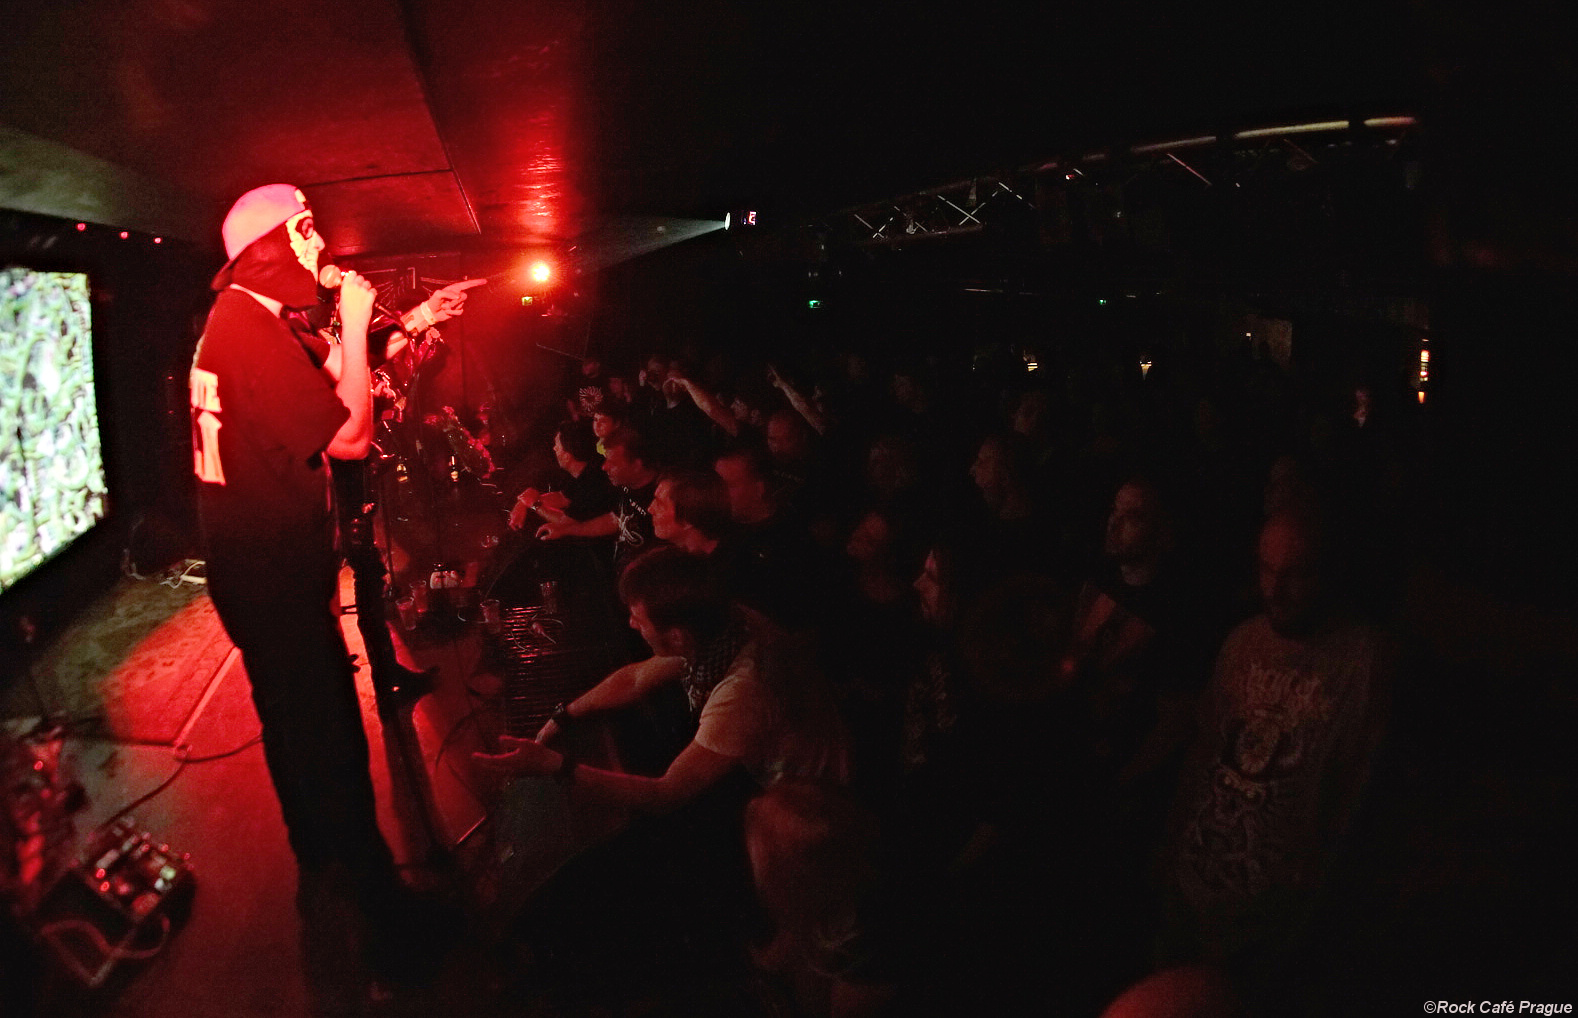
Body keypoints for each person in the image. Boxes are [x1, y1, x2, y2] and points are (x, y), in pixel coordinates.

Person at [188, 184, 434, 983]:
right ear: (269, 249)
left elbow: (337, 370)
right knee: (332, 745)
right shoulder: (251, 334)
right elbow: (351, 437)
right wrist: (355, 324)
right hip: (275, 586)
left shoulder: (248, 320)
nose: (320, 246)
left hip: (251, 577)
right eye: (305, 233)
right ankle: (389, 934)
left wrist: (388, 326)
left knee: (290, 731)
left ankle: (318, 862)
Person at [1163, 510, 1391, 1009]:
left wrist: (1304, 925)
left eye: (1295, 573)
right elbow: (1201, 759)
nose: (1275, 589)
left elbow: (1353, 804)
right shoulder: (1242, 641)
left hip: (1267, 921)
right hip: (1189, 894)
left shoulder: (1362, 660)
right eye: (1266, 569)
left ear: (1328, 572)